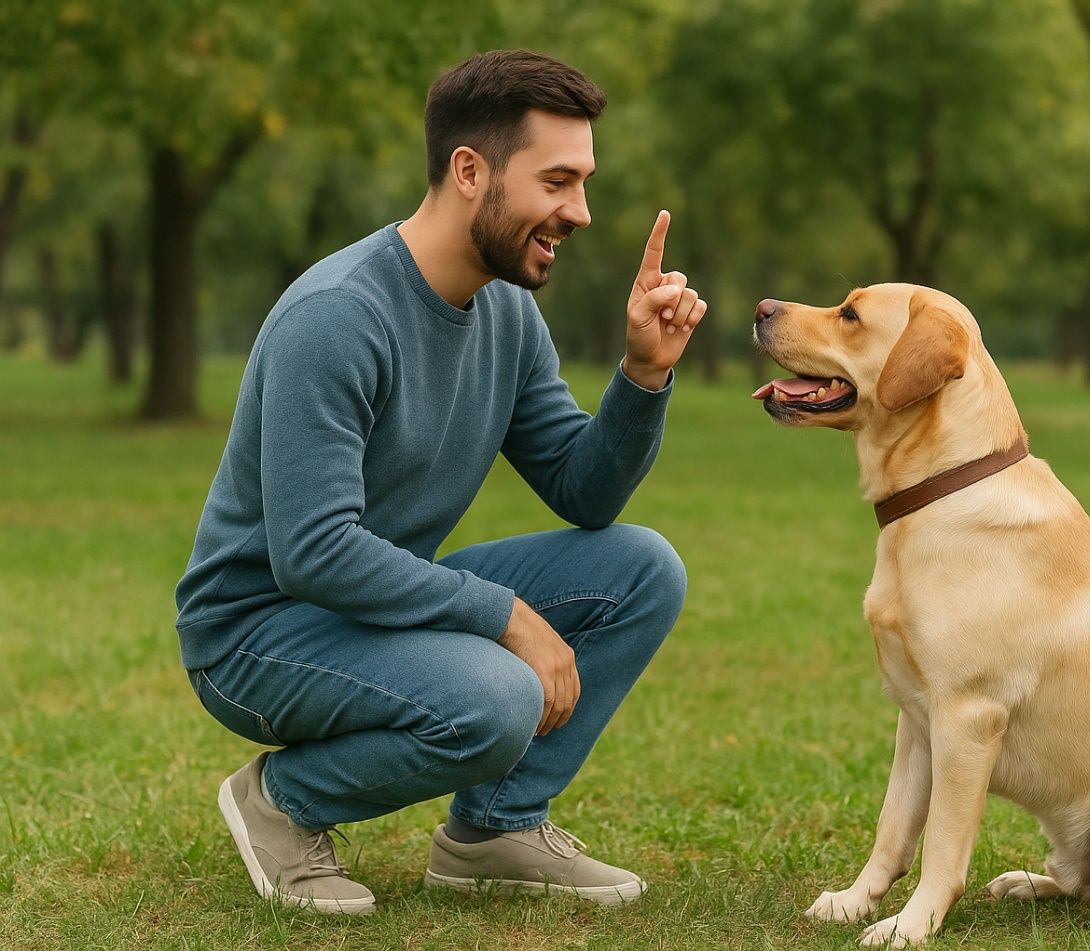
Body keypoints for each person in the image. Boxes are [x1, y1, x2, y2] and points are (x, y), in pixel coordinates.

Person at [174, 49, 705, 915]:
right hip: (257, 632)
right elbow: (312, 552)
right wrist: (504, 616)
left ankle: (495, 827)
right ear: (470, 171)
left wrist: (643, 375)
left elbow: (585, 492)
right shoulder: (337, 316)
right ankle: (280, 803)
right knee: (499, 696)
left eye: (584, 182)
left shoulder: (507, 313)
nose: (581, 211)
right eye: (558, 181)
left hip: (365, 609)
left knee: (641, 567)